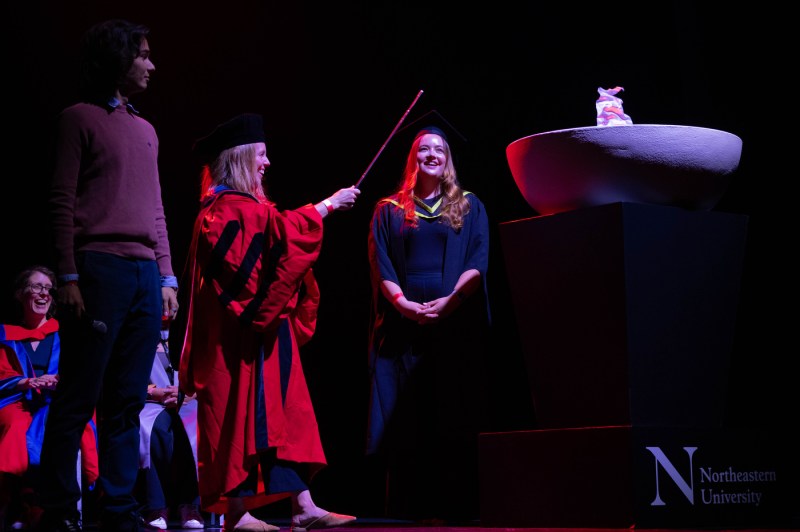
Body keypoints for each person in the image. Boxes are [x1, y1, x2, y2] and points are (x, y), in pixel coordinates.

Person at [179, 113, 359, 532]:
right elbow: (278, 235)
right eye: (261, 154)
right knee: (235, 418)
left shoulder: (247, 209)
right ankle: (236, 515)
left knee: (283, 415)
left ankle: (303, 506)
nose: (268, 163)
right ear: (240, 158)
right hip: (233, 342)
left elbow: (274, 238)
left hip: (264, 336)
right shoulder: (221, 211)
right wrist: (328, 206)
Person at [37, 19, 179, 532]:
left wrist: (167, 277)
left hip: (143, 275)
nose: (151, 64)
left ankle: (118, 509)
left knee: (126, 398)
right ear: (118, 60)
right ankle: (56, 509)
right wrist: (68, 275)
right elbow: (61, 201)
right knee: (80, 393)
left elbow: (157, 209)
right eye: (143, 54)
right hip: (98, 269)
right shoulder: (77, 119)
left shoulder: (147, 130)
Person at [365, 125, 491, 523]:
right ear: (413, 158)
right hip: (402, 329)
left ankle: (452, 511)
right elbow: (380, 264)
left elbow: (477, 262)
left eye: (439, 149)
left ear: (448, 158)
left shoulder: (469, 206)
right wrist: (404, 306)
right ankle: (403, 514)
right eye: (424, 149)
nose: (432, 154)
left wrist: (449, 304)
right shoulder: (389, 208)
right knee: (405, 424)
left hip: (452, 326)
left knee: (449, 417)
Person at [0, 266, 99, 530]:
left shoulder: (66, 332)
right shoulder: (4, 334)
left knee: (62, 424)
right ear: (21, 294)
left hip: (58, 400)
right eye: (36, 287)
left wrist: (60, 380)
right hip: (15, 400)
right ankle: (18, 499)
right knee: (15, 427)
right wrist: (26, 382)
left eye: (48, 289)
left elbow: (83, 369)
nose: (43, 293)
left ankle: (46, 505)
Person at [136, 316, 203, 530]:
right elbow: (127, 373)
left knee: (194, 429)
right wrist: (153, 391)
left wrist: (188, 393)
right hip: (151, 401)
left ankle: (190, 505)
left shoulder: (190, 333)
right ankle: (157, 507)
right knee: (154, 428)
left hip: (190, 401)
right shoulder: (140, 333)